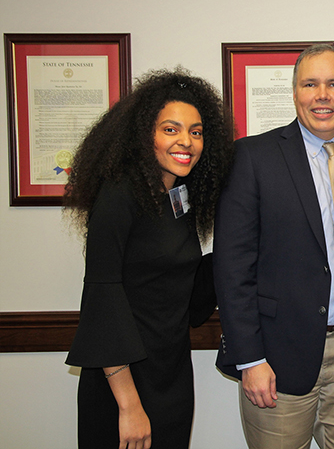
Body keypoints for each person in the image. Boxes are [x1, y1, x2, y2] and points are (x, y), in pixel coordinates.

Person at [213, 44, 334, 448]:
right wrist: (250, 359)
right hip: (277, 357)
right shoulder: (252, 157)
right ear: (295, 92)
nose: (322, 95)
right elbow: (232, 268)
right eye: (310, 84)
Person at [64, 68, 235, 449]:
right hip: (124, 384)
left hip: (170, 374)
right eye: (170, 129)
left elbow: (183, 292)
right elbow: (102, 299)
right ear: (145, 136)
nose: (186, 142)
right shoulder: (119, 196)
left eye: (196, 131)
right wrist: (128, 405)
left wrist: (240, 252)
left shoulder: (180, 198)